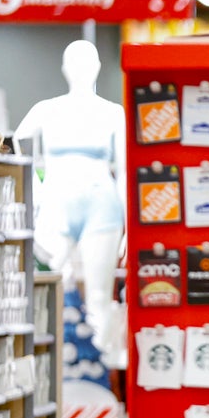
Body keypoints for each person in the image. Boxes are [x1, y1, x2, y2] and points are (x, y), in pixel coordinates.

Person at [13, 40, 126, 361]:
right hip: (56, 204)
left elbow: (125, 168)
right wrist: (35, 192)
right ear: (64, 68)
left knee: (99, 297)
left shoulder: (112, 113)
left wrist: (130, 224)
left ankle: (102, 369)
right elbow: (15, 145)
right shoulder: (47, 110)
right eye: (74, 63)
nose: (81, 70)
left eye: (87, 63)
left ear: (98, 68)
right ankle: (45, 360)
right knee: (45, 286)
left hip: (102, 207)